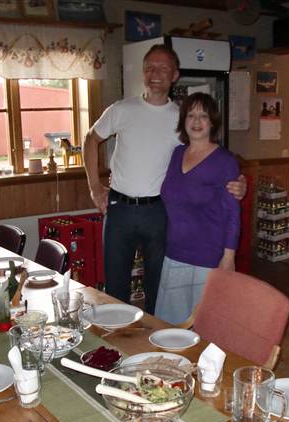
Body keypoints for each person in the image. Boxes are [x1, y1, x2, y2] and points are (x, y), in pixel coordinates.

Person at [83, 44, 246, 314]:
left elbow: (206, 155)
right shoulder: (122, 109)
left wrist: (238, 182)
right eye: (150, 68)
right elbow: (90, 139)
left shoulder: (180, 118)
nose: (155, 74)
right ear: (143, 73)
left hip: (159, 212)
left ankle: (156, 338)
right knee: (115, 289)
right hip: (119, 209)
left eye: (163, 68)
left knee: (157, 289)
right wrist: (94, 187)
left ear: (175, 75)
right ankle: (116, 340)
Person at [155, 92, 241, 325]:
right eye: (190, 115)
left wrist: (229, 257)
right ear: (183, 120)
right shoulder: (177, 154)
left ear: (212, 122)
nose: (196, 121)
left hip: (208, 257)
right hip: (174, 253)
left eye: (203, 116)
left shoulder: (225, 161)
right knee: (171, 326)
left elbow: (232, 214)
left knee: (204, 327)